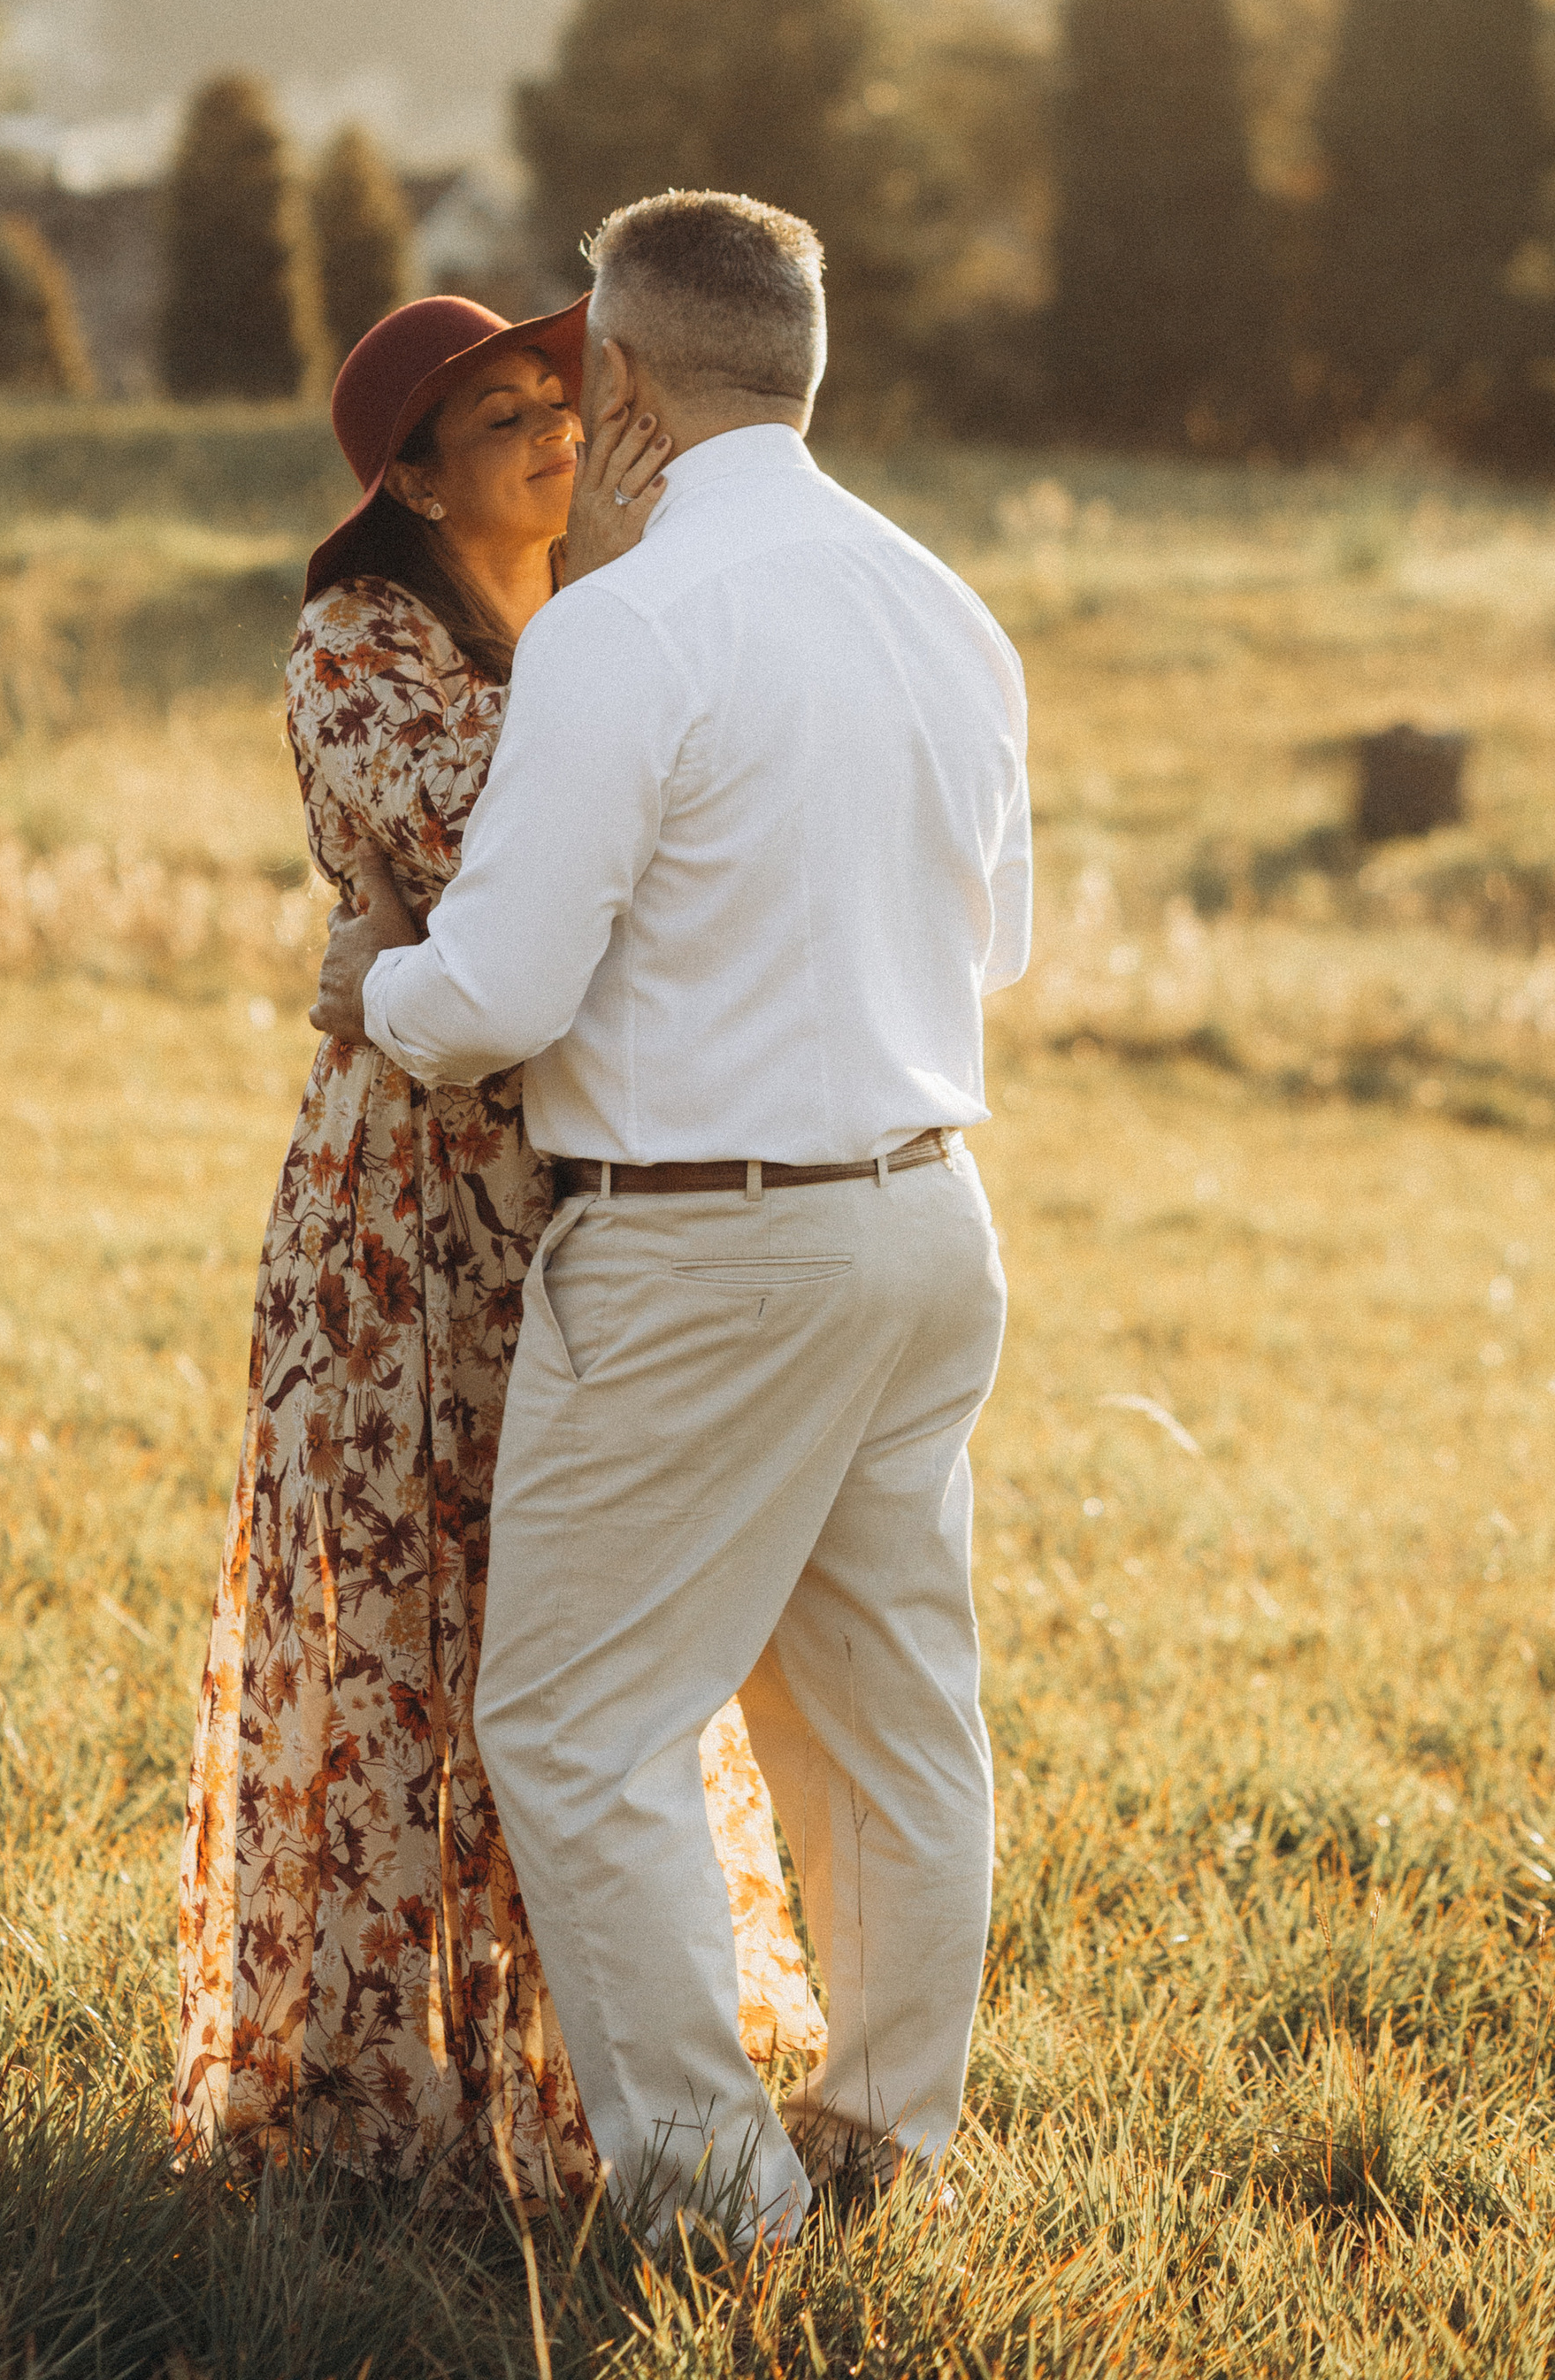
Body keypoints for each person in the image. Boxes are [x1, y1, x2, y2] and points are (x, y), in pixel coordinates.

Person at [312, 191, 1031, 2242]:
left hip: (706, 1247)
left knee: (568, 1718)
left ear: (620, 378)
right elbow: (1001, 943)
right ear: (802, 369)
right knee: (886, 1710)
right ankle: (884, 2125)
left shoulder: (627, 629)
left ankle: (718, 2203)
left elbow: (500, 996)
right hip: (923, 1221)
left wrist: (377, 981)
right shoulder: (941, 604)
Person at [175, 290, 828, 2197]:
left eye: (561, 398)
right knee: (402, 1619)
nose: (555, 432)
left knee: (570, 1625)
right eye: (498, 417)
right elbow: (506, 845)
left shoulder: (600, 620)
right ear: (408, 473)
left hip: (559, 1179)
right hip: (403, 1210)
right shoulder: (359, 640)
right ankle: (387, 2097)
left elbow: (632, 871)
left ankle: (570, 2068)